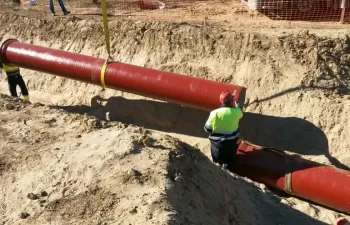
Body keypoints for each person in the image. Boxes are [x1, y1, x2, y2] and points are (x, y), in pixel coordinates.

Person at [204, 91, 243, 170]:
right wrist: (236, 107)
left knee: (219, 161)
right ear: (231, 101)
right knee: (228, 161)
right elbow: (240, 114)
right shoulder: (236, 112)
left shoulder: (214, 113)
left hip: (217, 146)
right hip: (230, 144)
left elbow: (207, 129)